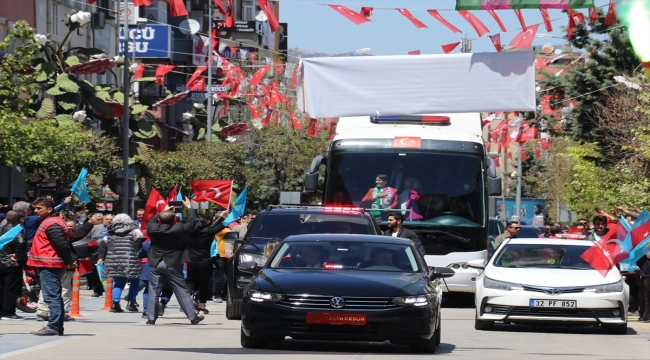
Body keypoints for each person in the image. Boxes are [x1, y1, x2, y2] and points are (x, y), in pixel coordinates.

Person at [146, 197, 203, 325]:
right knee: (181, 289)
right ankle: (193, 317)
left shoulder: (153, 229)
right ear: (174, 220)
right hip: (173, 262)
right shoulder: (178, 229)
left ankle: (151, 318)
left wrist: (162, 211)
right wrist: (189, 207)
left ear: (160, 220)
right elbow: (192, 222)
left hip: (156, 262)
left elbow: (151, 221)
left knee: (154, 291)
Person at [36, 215, 101, 322]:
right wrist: (69, 262)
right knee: (59, 289)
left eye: (71, 227)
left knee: (50, 288)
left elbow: (76, 236)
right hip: (57, 264)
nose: (69, 229)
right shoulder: (58, 233)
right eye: (67, 227)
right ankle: (54, 313)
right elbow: (65, 246)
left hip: (51, 264)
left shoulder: (45, 231)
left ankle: (45, 312)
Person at [27, 198, 76, 336]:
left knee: (51, 297)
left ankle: (53, 326)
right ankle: (56, 326)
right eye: (35, 208)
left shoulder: (52, 223)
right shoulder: (51, 221)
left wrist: (69, 261)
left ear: (49, 210)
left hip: (50, 264)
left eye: (39, 208)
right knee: (54, 296)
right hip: (49, 264)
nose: (36, 211)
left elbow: (61, 245)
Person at [97, 214, 144, 313]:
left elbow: (104, 244)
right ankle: (131, 302)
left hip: (114, 260)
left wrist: (102, 257)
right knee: (135, 281)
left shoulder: (110, 232)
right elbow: (139, 243)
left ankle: (115, 304)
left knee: (118, 283)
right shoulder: (135, 231)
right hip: (130, 259)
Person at [185, 210, 229, 314]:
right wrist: (222, 217)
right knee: (204, 284)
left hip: (189, 260)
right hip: (205, 261)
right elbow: (219, 226)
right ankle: (202, 306)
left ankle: (186, 304)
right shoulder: (208, 232)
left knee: (189, 282)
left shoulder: (186, 233)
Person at [0, 211, 27, 320]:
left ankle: (2, 311)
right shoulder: (16, 230)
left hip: (1, 262)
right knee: (11, 288)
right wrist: (18, 256)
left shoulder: (1, 228)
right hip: (11, 263)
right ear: (19, 220)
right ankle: (8, 312)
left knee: (1, 288)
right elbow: (21, 242)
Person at [636, 252, 650, 323]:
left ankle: (646, 316)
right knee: (647, 296)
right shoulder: (643, 250)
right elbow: (638, 261)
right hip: (646, 275)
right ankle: (645, 316)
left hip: (647, 274)